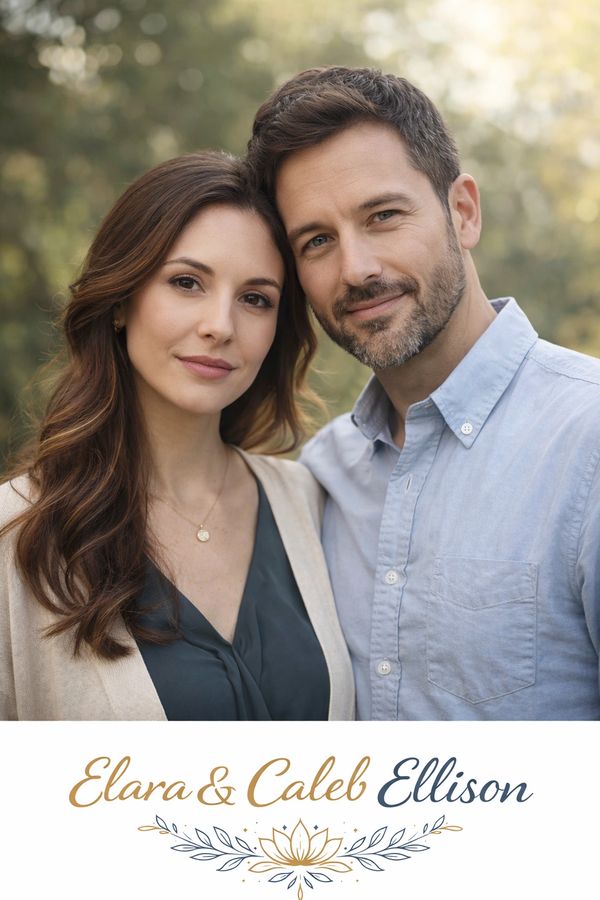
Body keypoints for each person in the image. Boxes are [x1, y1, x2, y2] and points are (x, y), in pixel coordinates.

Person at [247, 65, 600, 720]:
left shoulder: (587, 440)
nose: (356, 269)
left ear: (462, 212)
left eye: (383, 216)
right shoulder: (322, 478)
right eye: (317, 241)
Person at [0, 151, 354, 721]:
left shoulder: (312, 503)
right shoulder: (15, 536)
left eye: (255, 298)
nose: (220, 325)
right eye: (187, 282)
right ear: (121, 300)